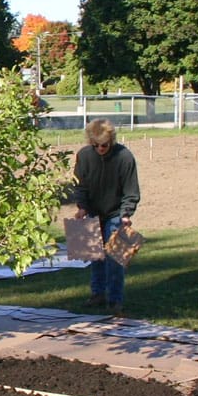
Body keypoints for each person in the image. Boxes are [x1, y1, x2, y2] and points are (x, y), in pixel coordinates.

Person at [72, 119, 141, 315]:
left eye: (104, 145)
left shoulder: (124, 157)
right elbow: (80, 185)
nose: (100, 149)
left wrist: (126, 214)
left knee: (115, 258)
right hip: (93, 212)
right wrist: (82, 207)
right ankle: (97, 294)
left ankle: (115, 300)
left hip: (116, 213)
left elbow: (131, 190)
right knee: (95, 256)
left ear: (111, 141)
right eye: (95, 145)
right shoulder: (84, 156)